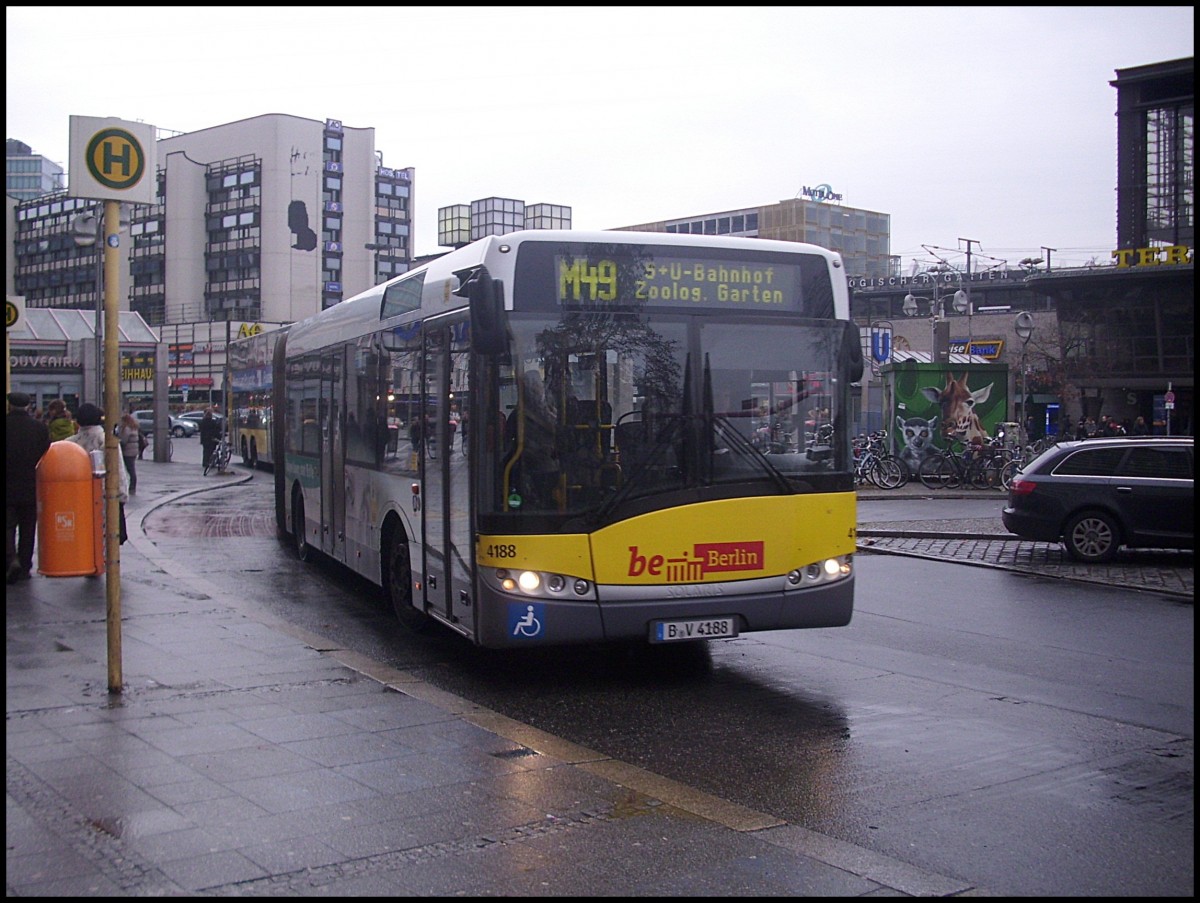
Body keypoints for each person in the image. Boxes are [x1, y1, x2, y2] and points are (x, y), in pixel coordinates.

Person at [67, 403, 130, 544]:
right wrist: (121, 497)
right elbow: (117, 470)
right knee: (105, 545)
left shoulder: (69, 444)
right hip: (104, 499)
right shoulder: (107, 441)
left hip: (77, 500)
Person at [7, 392, 52, 583]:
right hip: (31, 485)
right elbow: (46, 452)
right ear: (28, 406)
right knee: (28, 527)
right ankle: (25, 564)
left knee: (8, 526)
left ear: (9, 405)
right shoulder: (39, 428)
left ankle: (10, 560)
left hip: (7, 486)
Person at [117, 412, 142, 493]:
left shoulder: (126, 428)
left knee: (129, 469)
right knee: (131, 469)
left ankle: (131, 486)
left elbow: (124, 440)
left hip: (127, 451)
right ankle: (132, 486)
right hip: (133, 451)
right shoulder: (133, 427)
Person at [199, 407, 221, 473]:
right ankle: (211, 462)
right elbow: (216, 430)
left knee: (206, 451)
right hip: (212, 439)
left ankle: (205, 462)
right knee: (211, 451)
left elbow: (202, 431)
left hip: (205, 439)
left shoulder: (203, 421)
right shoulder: (212, 422)